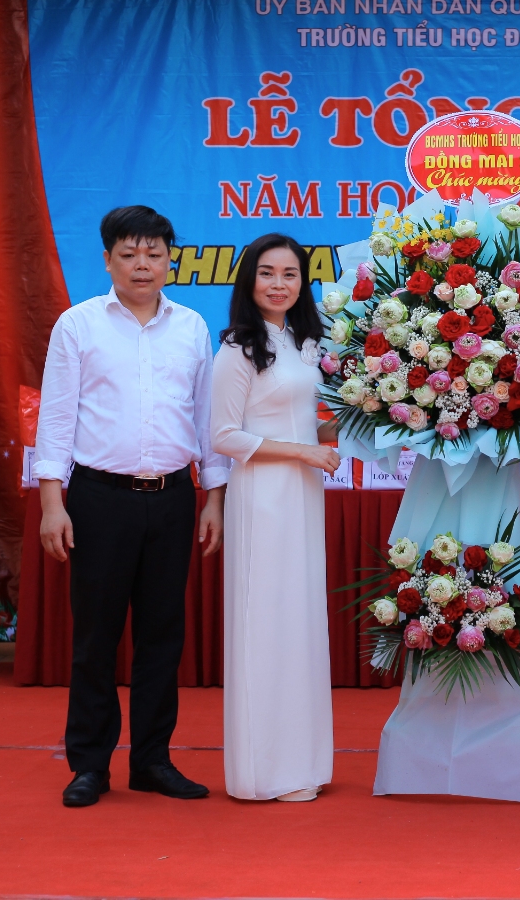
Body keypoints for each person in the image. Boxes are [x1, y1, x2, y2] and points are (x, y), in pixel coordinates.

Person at [34, 205, 229, 808]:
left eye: (153, 254)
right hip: (100, 499)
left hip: (173, 499)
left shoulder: (192, 327)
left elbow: (205, 419)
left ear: (170, 260)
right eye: (128, 254)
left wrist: (214, 500)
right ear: (107, 260)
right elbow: (56, 417)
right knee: (95, 638)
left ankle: (151, 760)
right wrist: (52, 503)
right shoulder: (78, 325)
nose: (141, 265)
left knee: (162, 636)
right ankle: (89, 765)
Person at [210, 233, 338, 802]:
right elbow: (224, 435)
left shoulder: (305, 343)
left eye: (290, 274)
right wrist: (302, 452)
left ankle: (301, 763)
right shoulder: (239, 348)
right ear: (249, 280)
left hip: (303, 494)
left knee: (300, 620)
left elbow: (308, 421)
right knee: (265, 621)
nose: (279, 284)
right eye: (267, 273)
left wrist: (363, 415)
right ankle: (263, 771)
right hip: (263, 496)